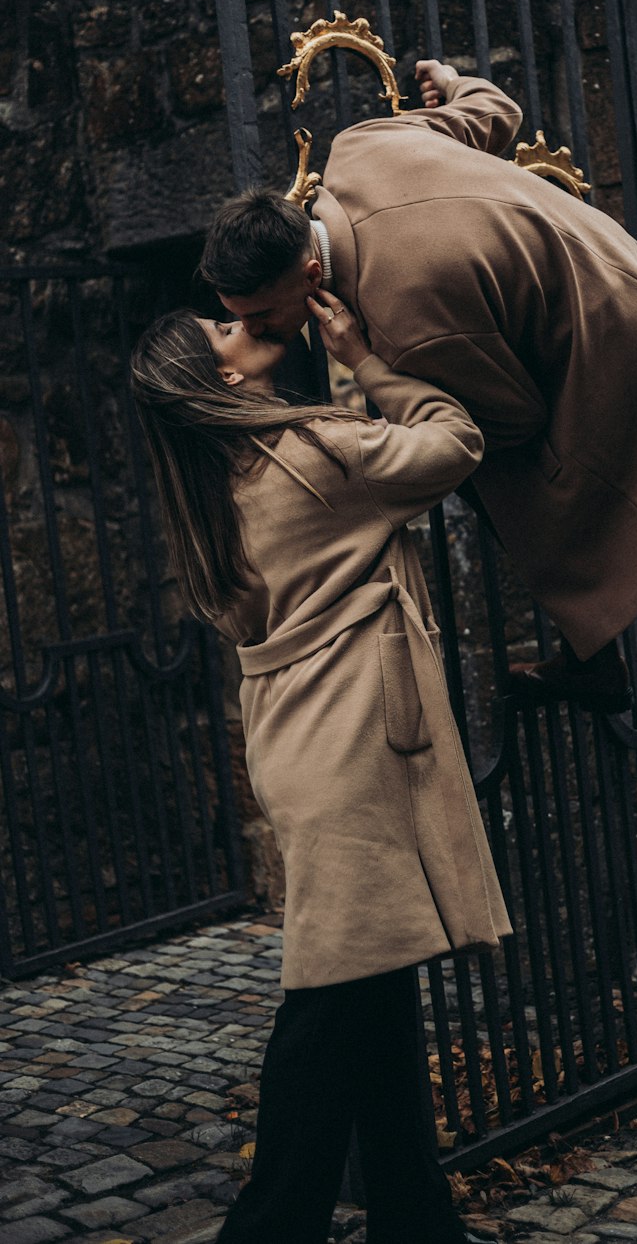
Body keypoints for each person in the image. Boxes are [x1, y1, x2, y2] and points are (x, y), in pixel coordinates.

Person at [198, 61, 637, 851]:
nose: (261, 334)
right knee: (537, 502)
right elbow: (495, 112)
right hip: (605, 268)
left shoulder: (407, 317)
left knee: (615, 526)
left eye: (262, 316)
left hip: (604, 342)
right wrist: (451, 77)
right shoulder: (362, 145)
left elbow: (508, 421)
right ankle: (596, 655)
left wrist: (371, 367)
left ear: (309, 270)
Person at [130, 297, 510, 1244]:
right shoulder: (314, 454)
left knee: (373, 989)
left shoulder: (206, 495)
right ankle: (269, 1228)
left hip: (296, 746)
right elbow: (454, 441)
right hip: (355, 751)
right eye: (217, 330)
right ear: (219, 376)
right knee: (326, 1004)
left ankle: (418, 1221)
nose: (234, 324)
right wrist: (365, 360)